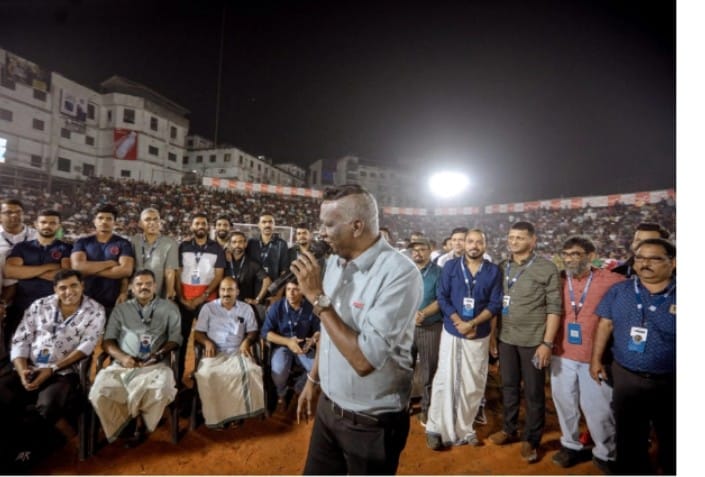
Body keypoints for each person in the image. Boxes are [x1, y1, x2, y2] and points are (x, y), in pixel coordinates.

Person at [292, 184, 422, 475]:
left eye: (329, 224)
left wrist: (317, 299)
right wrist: (313, 380)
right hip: (328, 409)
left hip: (370, 423)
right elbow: (328, 330)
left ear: (357, 226)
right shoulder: (335, 262)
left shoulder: (400, 273)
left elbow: (364, 361)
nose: (321, 233)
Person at [0, 269, 105, 464]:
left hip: (63, 372)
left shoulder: (95, 310)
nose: (69, 292)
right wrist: (22, 370)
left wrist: (52, 369)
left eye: (74, 286)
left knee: (47, 407)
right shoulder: (39, 305)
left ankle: (26, 451)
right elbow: (21, 339)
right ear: (55, 289)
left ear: (82, 286)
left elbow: (86, 346)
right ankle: (10, 447)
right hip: (29, 366)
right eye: (63, 288)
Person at [591, 238, 676, 475]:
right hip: (627, 377)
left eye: (654, 258)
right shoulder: (620, 290)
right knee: (628, 436)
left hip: (671, 381)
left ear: (673, 262)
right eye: (639, 258)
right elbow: (605, 324)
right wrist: (595, 359)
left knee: (672, 436)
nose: (645, 263)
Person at [489, 221, 562, 463]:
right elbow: (496, 305)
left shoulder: (546, 268)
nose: (513, 241)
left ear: (533, 240)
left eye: (520, 238)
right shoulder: (502, 267)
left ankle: (531, 438)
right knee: (508, 387)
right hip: (506, 339)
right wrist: (493, 336)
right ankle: (509, 429)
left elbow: (554, 308)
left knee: (533, 392)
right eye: (511, 237)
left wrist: (547, 343)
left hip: (534, 341)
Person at [550, 236, 624, 472]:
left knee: (599, 409)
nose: (569, 259)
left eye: (576, 254)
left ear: (591, 256)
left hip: (595, 357)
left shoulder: (612, 281)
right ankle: (570, 445)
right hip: (561, 353)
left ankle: (606, 453)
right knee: (565, 403)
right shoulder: (558, 280)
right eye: (566, 254)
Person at [425, 229, 503, 450]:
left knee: (473, 382)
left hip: (478, 334)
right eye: (470, 241)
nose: (474, 246)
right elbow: (442, 297)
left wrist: (473, 323)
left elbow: (495, 303)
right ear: (463, 244)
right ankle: (434, 428)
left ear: (485, 245)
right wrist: (459, 322)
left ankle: (465, 428)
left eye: (479, 242)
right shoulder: (450, 266)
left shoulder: (493, 271)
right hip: (453, 331)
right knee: (445, 379)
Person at [89, 269, 181, 447]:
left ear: (155, 286)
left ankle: (141, 425)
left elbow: (175, 339)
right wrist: (122, 357)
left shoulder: (169, 308)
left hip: (155, 365)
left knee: (160, 390)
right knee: (99, 391)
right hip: (123, 364)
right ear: (131, 287)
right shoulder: (121, 309)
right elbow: (107, 341)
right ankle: (124, 424)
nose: (144, 287)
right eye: (139, 284)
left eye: (148, 284)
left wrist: (158, 354)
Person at [192, 277, 264, 428]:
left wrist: (246, 341)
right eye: (223, 289)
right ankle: (217, 416)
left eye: (230, 289)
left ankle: (237, 414)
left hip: (237, 350)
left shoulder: (246, 308)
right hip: (214, 352)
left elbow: (253, 331)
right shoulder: (208, 308)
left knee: (250, 371)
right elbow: (198, 333)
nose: (226, 293)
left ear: (237, 292)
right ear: (219, 291)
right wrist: (207, 342)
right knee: (206, 374)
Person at [4, 210, 71, 340]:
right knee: (14, 345)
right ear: (35, 224)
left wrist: (25, 271)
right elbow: (10, 272)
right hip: (21, 306)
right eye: (43, 222)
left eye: (52, 223)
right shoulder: (21, 247)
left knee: (47, 347)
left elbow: (65, 276)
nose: (47, 226)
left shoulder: (66, 248)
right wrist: (50, 267)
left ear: (59, 226)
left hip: (53, 308)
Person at [176, 213, 225, 380]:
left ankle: (202, 378)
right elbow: (178, 273)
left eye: (203, 223)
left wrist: (202, 297)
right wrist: (181, 298)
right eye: (197, 223)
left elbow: (218, 276)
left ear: (208, 226)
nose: (200, 226)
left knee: (206, 339)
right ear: (192, 226)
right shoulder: (183, 246)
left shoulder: (216, 248)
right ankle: (179, 378)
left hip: (207, 302)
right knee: (181, 339)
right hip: (184, 301)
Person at [261, 279, 320, 412]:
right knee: (278, 372)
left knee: (318, 371)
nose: (291, 294)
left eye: (295, 290)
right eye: (288, 290)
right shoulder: (277, 307)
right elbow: (265, 333)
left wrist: (314, 338)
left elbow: (318, 329)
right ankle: (281, 394)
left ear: (303, 291)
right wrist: (288, 342)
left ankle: (299, 389)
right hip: (283, 345)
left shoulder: (310, 307)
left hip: (303, 346)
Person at [70, 204, 135, 318]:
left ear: (115, 222)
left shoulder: (123, 243)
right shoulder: (82, 242)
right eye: (100, 218)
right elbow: (77, 267)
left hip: (113, 301)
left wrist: (89, 270)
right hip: (85, 300)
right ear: (94, 221)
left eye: (109, 219)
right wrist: (110, 264)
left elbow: (126, 270)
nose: (104, 221)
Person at [407, 236, 442, 425]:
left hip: (430, 327)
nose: (417, 253)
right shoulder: (405, 270)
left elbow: (441, 299)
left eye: (422, 249)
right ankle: (404, 404)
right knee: (405, 368)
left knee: (430, 370)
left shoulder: (439, 272)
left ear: (430, 251)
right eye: (414, 250)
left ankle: (427, 408)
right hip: (406, 329)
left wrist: (423, 313)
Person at [0, 199, 38, 368]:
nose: (14, 215)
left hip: (31, 295)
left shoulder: (37, 236)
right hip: (5, 293)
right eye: (8, 212)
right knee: (5, 339)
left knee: (28, 341)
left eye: (18, 212)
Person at [130, 208, 179, 300]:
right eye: (147, 219)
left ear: (160, 222)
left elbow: (169, 271)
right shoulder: (135, 240)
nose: (152, 222)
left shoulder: (170, 243)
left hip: (157, 296)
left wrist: (170, 291)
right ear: (140, 223)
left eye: (155, 219)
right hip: (135, 295)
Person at [224, 231, 271, 307]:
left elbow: (267, 281)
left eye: (240, 242)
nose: (237, 245)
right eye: (234, 242)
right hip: (225, 304)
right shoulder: (224, 260)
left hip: (244, 306)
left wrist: (258, 299)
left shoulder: (252, 263)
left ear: (245, 244)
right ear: (230, 244)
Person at [245, 213, 290, 286]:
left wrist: (279, 289)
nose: (267, 225)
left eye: (270, 222)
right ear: (259, 225)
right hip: (252, 287)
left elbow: (284, 270)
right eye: (264, 222)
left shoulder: (281, 244)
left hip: (272, 287)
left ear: (274, 225)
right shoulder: (251, 243)